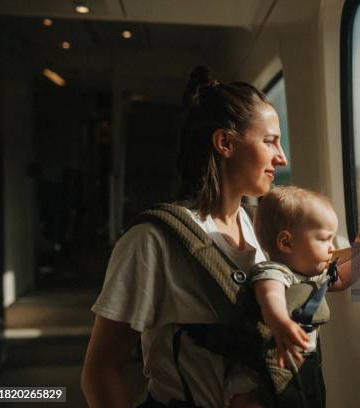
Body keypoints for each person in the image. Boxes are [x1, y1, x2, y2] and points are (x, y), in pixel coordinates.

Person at [81, 66, 289, 407]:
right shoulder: (152, 242)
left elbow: (329, 260)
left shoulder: (262, 229)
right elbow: (101, 371)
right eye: (270, 141)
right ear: (225, 143)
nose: (281, 157)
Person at [247, 186, 360, 378]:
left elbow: (340, 278)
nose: (332, 248)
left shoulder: (310, 275)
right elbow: (271, 296)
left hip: (301, 366)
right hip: (265, 371)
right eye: (325, 240)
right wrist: (281, 322)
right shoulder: (274, 272)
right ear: (286, 243)